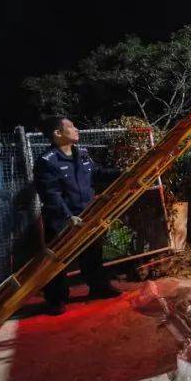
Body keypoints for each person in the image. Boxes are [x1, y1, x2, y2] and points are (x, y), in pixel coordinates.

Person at [33, 115, 119, 314]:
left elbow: (95, 173)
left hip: (86, 213)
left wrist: (122, 172)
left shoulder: (81, 154)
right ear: (57, 133)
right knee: (59, 260)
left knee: (93, 254)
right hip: (62, 219)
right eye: (71, 126)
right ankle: (56, 299)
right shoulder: (48, 161)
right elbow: (50, 194)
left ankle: (98, 287)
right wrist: (66, 216)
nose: (76, 129)